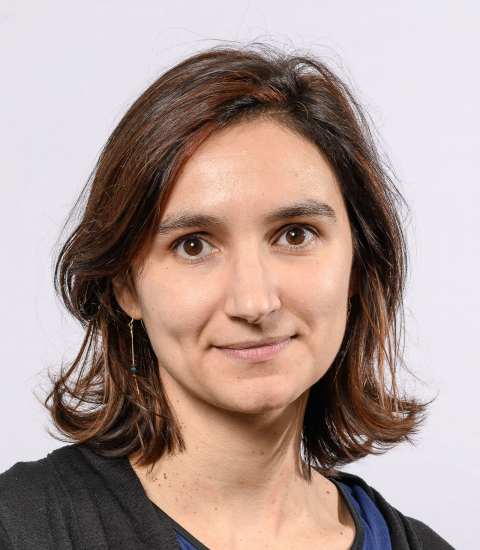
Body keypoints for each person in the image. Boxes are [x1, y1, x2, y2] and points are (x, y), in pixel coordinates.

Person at [0, 45, 454, 550]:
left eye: (295, 234)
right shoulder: (19, 527)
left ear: (357, 263)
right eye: (193, 245)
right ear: (126, 285)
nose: (254, 303)